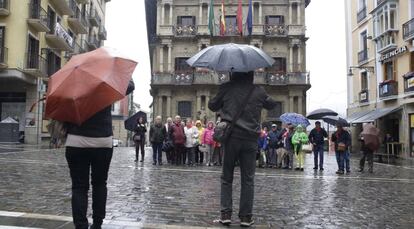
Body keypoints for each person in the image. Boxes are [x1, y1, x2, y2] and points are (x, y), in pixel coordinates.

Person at [208, 71, 277, 227]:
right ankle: (246, 217)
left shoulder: (226, 87)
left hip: (231, 138)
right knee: (248, 179)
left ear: (233, 73)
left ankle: (225, 214)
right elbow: (272, 104)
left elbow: (212, 105)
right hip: (250, 140)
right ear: (250, 73)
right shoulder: (258, 90)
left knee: (226, 177)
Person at [65, 80, 134, 229]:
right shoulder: (105, 85)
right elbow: (130, 86)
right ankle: (97, 224)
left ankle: (81, 225)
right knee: (99, 184)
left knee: (79, 187)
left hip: (76, 140)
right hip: (101, 140)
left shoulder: (74, 83)